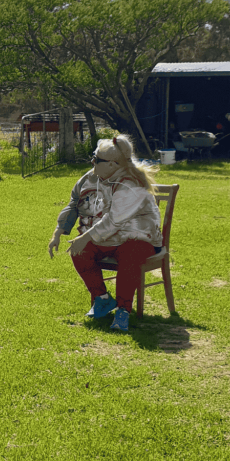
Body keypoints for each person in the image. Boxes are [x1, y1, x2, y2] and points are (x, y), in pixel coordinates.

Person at [49, 135, 162, 332]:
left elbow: (114, 221)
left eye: (96, 159)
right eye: (94, 157)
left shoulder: (130, 184)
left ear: (112, 164)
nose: (92, 162)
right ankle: (102, 299)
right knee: (79, 251)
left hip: (138, 237)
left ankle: (123, 310)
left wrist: (84, 237)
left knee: (130, 255)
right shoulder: (92, 177)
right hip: (109, 236)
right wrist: (59, 231)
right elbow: (74, 202)